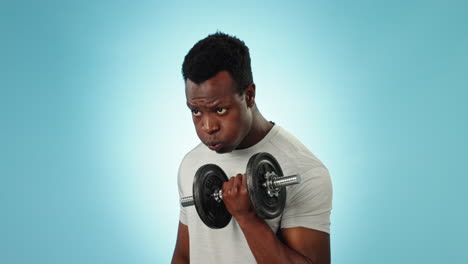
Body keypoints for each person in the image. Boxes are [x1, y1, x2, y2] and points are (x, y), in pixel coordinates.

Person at [171, 32, 333, 264]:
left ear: (249, 96)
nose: (207, 127)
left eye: (219, 110)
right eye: (196, 111)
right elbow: (184, 256)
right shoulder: (191, 163)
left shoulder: (304, 170)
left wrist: (247, 218)